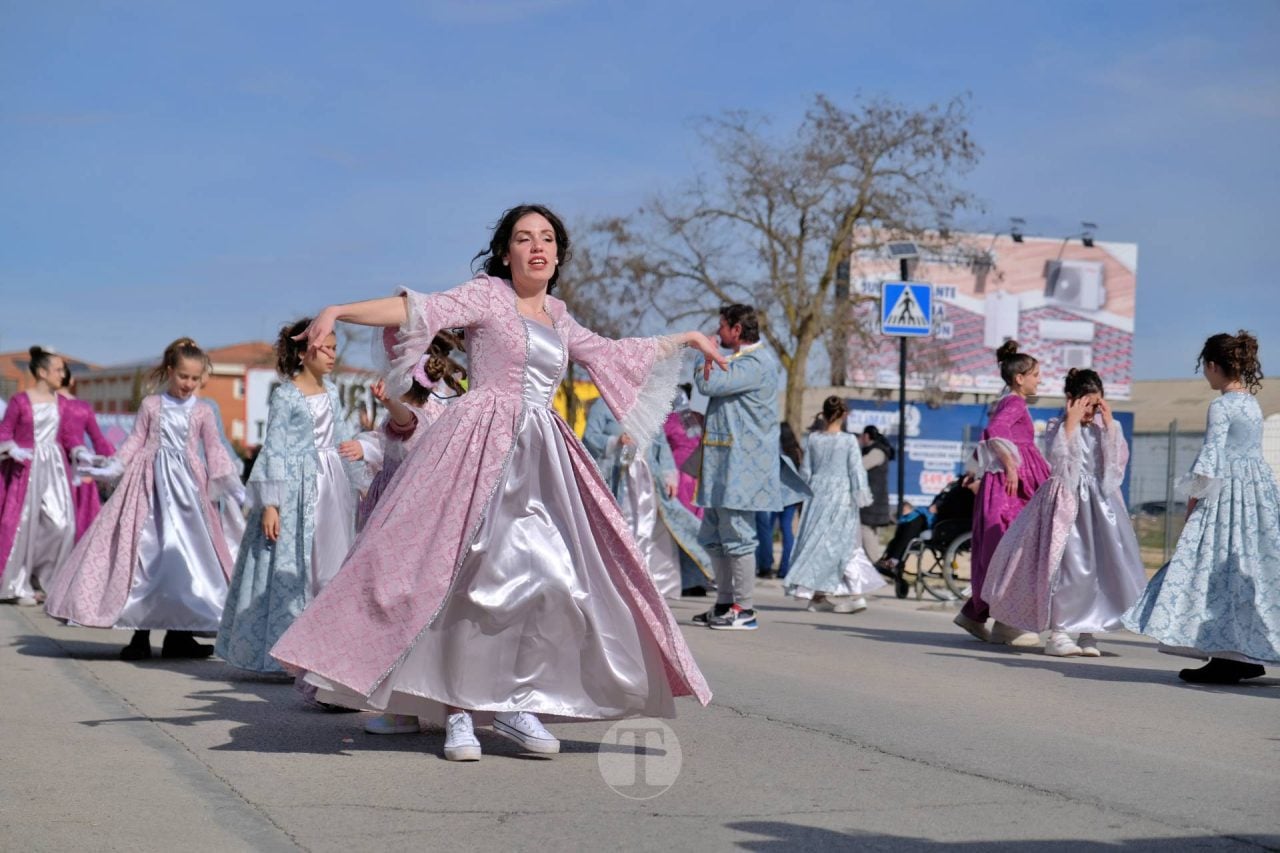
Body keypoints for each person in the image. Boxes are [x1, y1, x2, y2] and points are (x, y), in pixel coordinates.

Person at [269, 204, 720, 762]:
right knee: (462, 574)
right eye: (524, 238)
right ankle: (458, 711)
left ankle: (513, 700)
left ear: (558, 254)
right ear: (506, 253)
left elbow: (616, 353)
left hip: (542, 455)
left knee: (547, 579)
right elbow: (418, 308)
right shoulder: (487, 296)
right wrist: (336, 310)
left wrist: (686, 339)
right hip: (475, 445)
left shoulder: (559, 314)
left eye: (548, 239)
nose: (537, 247)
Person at [44, 339, 243, 660]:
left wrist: (231, 484)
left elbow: (215, 448)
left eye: (195, 379)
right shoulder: (152, 405)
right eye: (183, 377)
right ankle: (139, 633)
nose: (188, 384)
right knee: (146, 555)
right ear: (170, 372)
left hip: (190, 495)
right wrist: (115, 465)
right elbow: (135, 440)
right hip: (149, 488)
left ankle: (179, 635)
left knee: (185, 560)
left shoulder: (203, 410)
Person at [215, 320, 370, 676]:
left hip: (331, 486)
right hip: (297, 488)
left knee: (329, 564)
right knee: (295, 564)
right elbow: (276, 448)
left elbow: (342, 435)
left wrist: (361, 480)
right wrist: (270, 503)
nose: (332, 354)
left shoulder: (332, 391)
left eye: (334, 347)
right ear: (303, 353)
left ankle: (322, 650)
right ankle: (286, 652)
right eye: (325, 348)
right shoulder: (286, 394)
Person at [1124, 331, 1279, 683]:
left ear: (1212, 365)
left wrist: (1192, 501)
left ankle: (1229, 657)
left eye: (1204, 368)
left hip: (1226, 497)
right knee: (1245, 571)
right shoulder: (1251, 404)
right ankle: (1239, 653)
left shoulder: (1222, 405)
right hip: (1256, 495)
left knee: (1212, 570)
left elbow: (1210, 457)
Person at [981, 369, 1146, 656]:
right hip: (1066, 505)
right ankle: (1059, 632)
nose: (1091, 411)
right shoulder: (1059, 426)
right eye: (1086, 405)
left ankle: (1088, 632)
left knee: (1099, 569)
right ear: (1071, 400)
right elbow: (1059, 465)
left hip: (1101, 507)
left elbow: (1113, 471)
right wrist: (1070, 424)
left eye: (1097, 405)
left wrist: (1109, 427)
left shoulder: (1105, 427)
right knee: (1065, 568)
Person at [692, 303, 786, 631]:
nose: (717, 333)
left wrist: (702, 353)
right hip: (722, 465)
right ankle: (723, 603)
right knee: (714, 536)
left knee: (738, 537)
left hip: (742, 468)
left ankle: (744, 609)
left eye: (721, 326)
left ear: (736, 329)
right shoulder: (739, 362)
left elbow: (709, 385)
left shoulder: (757, 363)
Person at [954, 340, 1051, 646]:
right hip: (1010, 491)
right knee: (1013, 547)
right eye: (1035, 374)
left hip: (1008, 485)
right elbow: (995, 431)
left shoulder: (1008, 399)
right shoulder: (1015, 402)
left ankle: (976, 614)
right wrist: (1011, 464)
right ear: (1019, 378)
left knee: (1003, 547)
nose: (1040, 380)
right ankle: (1008, 623)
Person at [583, 395, 713, 600]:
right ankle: (620, 579)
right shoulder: (603, 404)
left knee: (657, 527)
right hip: (616, 479)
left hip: (650, 481)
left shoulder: (649, 406)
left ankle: (655, 581)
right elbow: (590, 437)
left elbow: (661, 444)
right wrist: (616, 441)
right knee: (621, 527)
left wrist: (670, 476)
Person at [784, 397, 885, 613]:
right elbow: (856, 470)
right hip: (841, 497)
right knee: (843, 544)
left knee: (818, 543)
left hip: (817, 496)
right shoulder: (848, 440)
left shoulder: (814, 439)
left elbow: (806, 472)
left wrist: (802, 494)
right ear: (844, 415)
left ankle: (819, 596)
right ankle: (852, 594)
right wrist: (861, 495)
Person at [0, 347, 76, 604]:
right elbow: (5, 432)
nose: (62, 374)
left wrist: (79, 450)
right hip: (26, 470)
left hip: (54, 469)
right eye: (58, 369)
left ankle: (44, 579)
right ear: (42, 372)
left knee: (62, 524)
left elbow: (67, 436)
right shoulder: (20, 401)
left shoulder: (63, 404)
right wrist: (12, 449)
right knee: (23, 524)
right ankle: (17, 584)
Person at [57, 372, 116, 542]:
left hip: (54, 466)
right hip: (81, 468)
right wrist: (113, 460)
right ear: (72, 380)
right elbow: (98, 439)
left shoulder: (48, 405)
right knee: (82, 521)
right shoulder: (82, 407)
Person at [756, 423, 806, 579]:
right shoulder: (797, 451)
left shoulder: (773, 450)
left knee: (767, 530)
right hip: (790, 497)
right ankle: (785, 568)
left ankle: (766, 565)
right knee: (787, 531)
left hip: (772, 496)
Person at [858, 425, 896, 563]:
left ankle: (877, 564)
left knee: (866, 529)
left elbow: (859, 466)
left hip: (872, 501)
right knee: (870, 533)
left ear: (867, 436)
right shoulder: (876, 451)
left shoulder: (876, 453)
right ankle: (875, 564)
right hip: (874, 499)